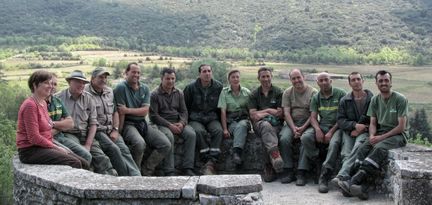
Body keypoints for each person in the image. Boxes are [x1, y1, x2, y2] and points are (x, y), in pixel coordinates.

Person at [339, 70, 408, 200]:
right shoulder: (375, 100)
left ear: (391, 82)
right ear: (376, 83)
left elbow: (401, 127)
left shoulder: (400, 99)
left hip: (398, 135)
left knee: (378, 148)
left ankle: (353, 182)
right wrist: (371, 136)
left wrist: (380, 138)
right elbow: (373, 123)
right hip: (380, 132)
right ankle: (360, 188)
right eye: (380, 81)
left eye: (386, 80)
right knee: (363, 148)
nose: (383, 83)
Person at [17, 70, 89, 169]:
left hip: (44, 145)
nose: (50, 86)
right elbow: (34, 137)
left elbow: (49, 125)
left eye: (51, 83)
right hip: (30, 150)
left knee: (84, 163)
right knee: (74, 163)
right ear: (35, 85)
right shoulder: (30, 105)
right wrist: (56, 147)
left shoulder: (42, 103)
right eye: (46, 83)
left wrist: (55, 145)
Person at [113, 62, 172, 176]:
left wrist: (128, 110)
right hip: (128, 124)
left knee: (165, 144)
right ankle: (135, 173)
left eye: (138, 72)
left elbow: (145, 111)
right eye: (133, 72)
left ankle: (146, 170)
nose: (136, 75)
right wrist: (119, 131)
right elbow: (121, 112)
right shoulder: (121, 88)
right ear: (126, 73)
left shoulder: (144, 88)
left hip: (142, 123)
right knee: (139, 144)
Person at [57, 70, 117, 175]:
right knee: (84, 155)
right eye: (77, 82)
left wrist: (88, 144)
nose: (81, 85)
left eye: (83, 83)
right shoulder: (58, 98)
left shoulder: (88, 98)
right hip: (68, 133)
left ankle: (111, 180)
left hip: (86, 134)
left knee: (102, 158)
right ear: (69, 82)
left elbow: (93, 124)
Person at [85, 67, 141, 176]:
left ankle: (137, 177)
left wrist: (115, 130)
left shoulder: (109, 91)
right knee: (114, 149)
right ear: (92, 79)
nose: (104, 80)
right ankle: (125, 178)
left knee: (124, 149)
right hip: (98, 131)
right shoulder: (85, 93)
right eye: (100, 77)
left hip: (111, 129)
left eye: (105, 77)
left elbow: (115, 112)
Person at [331, 72, 373, 196]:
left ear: (363, 81)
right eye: (353, 80)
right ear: (349, 83)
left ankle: (342, 176)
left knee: (357, 147)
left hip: (366, 131)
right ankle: (347, 186)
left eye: (358, 79)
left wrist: (362, 128)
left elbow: (376, 120)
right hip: (350, 131)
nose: (356, 82)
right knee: (345, 153)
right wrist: (354, 126)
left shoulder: (372, 99)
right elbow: (340, 120)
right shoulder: (345, 100)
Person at [150, 68, 197, 176]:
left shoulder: (179, 93)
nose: (170, 81)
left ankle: (188, 167)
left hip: (177, 121)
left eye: (173, 79)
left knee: (191, 134)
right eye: (167, 78)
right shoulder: (154, 94)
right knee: (169, 137)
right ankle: (169, 170)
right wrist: (169, 125)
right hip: (162, 123)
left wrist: (182, 123)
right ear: (162, 79)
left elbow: (184, 111)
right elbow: (154, 116)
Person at [309, 72, 346, 193]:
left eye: (326, 80)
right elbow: (313, 117)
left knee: (334, 143)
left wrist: (331, 132)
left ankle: (324, 176)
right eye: (321, 80)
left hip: (338, 127)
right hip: (322, 125)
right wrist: (318, 130)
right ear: (317, 83)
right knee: (306, 138)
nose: (324, 82)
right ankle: (317, 162)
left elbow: (342, 117)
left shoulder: (341, 94)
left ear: (331, 81)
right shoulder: (316, 97)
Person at [279, 69, 318, 184]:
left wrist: (302, 128)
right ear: (290, 80)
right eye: (293, 78)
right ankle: (288, 169)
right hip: (292, 123)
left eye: (298, 77)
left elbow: (313, 114)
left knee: (305, 139)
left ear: (303, 77)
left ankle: (302, 172)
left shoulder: (313, 92)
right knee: (284, 138)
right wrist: (294, 128)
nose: (296, 80)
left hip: (308, 123)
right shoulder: (287, 93)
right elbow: (286, 113)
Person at [184, 64, 223, 175]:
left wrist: (224, 124)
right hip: (195, 118)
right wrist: (185, 122)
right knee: (198, 131)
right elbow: (185, 106)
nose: (207, 74)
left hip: (212, 117)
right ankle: (206, 158)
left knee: (218, 130)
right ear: (199, 74)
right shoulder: (190, 88)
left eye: (209, 71)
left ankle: (213, 160)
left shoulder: (218, 87)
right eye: (204, 71)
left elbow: (221, 107)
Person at [248, 67, 284, 182]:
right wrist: (270, 112)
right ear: (259, 78)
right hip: (260, 125)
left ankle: (268, 167)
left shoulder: (278, 92)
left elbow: (279, 113)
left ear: (271, 77)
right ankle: (275, 155)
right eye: (263, 76)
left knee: (267, 134)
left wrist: (264, 111)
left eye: (268, 76)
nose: (266, 79)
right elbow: (253, 115)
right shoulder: (254, 94)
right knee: (266, 126)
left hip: (276, 124)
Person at [217, 69, 251, 166]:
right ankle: (237, 156)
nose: (235, 79)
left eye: (237, 77)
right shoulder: (224, 92)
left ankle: (236, 153)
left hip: (244, 120)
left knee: (242, 125)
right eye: (233, 77)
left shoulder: (246, 92)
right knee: (237, 128)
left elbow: (251, 110)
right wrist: (224, 129)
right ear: (229, 80)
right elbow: (223, 112)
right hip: (231, 121)